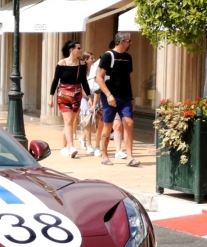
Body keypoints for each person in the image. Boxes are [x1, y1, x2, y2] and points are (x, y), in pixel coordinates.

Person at [96, 32, 139, 167]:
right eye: (128, 41)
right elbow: (99, 77)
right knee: (108, 126)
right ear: (121, 41)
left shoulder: (128, 57)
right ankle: (104, 155)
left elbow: (129, 77)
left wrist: (132, 96)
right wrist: (108, 95)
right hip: (110, 97)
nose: (130, 43)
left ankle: (130, 157)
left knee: (129, 123)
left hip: (125, 97)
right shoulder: (108, 56)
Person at [48, 40, 88, 158]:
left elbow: (84, 81)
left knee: (70, 122)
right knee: (68, 122)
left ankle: (63, 147)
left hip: (77, 94)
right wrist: (51, 97)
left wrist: (89, 96)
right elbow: (55, 81)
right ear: (72, 50)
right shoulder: (62, 63)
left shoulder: (82, 64)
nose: (80, 50)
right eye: (78, 48)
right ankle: (71, 147)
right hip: (64, 94)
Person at [78, 52, 100, 154]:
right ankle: (89, 144)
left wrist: (94, 101)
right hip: (84, 97)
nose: (94, 59)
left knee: (93, 120)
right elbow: (81, 88)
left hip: (94, 96)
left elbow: (97, 87)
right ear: (86, 60)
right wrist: (89, 98)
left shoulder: (95, 70)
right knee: (88, 119)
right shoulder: (81, 71)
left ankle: (83, 138)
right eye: (91, 58)